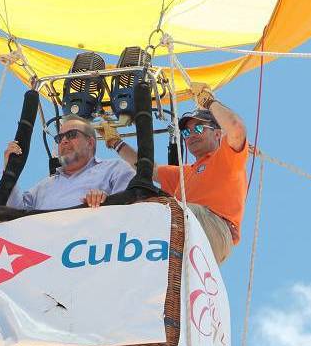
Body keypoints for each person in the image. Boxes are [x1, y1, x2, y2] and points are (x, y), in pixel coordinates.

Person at [99, 83, 249, 263]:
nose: (191, 134)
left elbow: (236, 129)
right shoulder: (184, 173)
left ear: (218, 134)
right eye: (186, 132)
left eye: (199, 128)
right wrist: (115, 142)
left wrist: (209, 101)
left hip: (213, 228)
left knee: (163, 208)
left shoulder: (226, 157)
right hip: (187, 224)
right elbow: (148, 169)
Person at [5, 115, 135, 210]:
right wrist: (9, 169)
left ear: (90, 143)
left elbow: (131, 208)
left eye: (72, 135)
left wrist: (108, 201)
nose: (64, 141)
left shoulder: (114, 169)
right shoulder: (43, 187)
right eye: (60, 138)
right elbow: (14, 213)